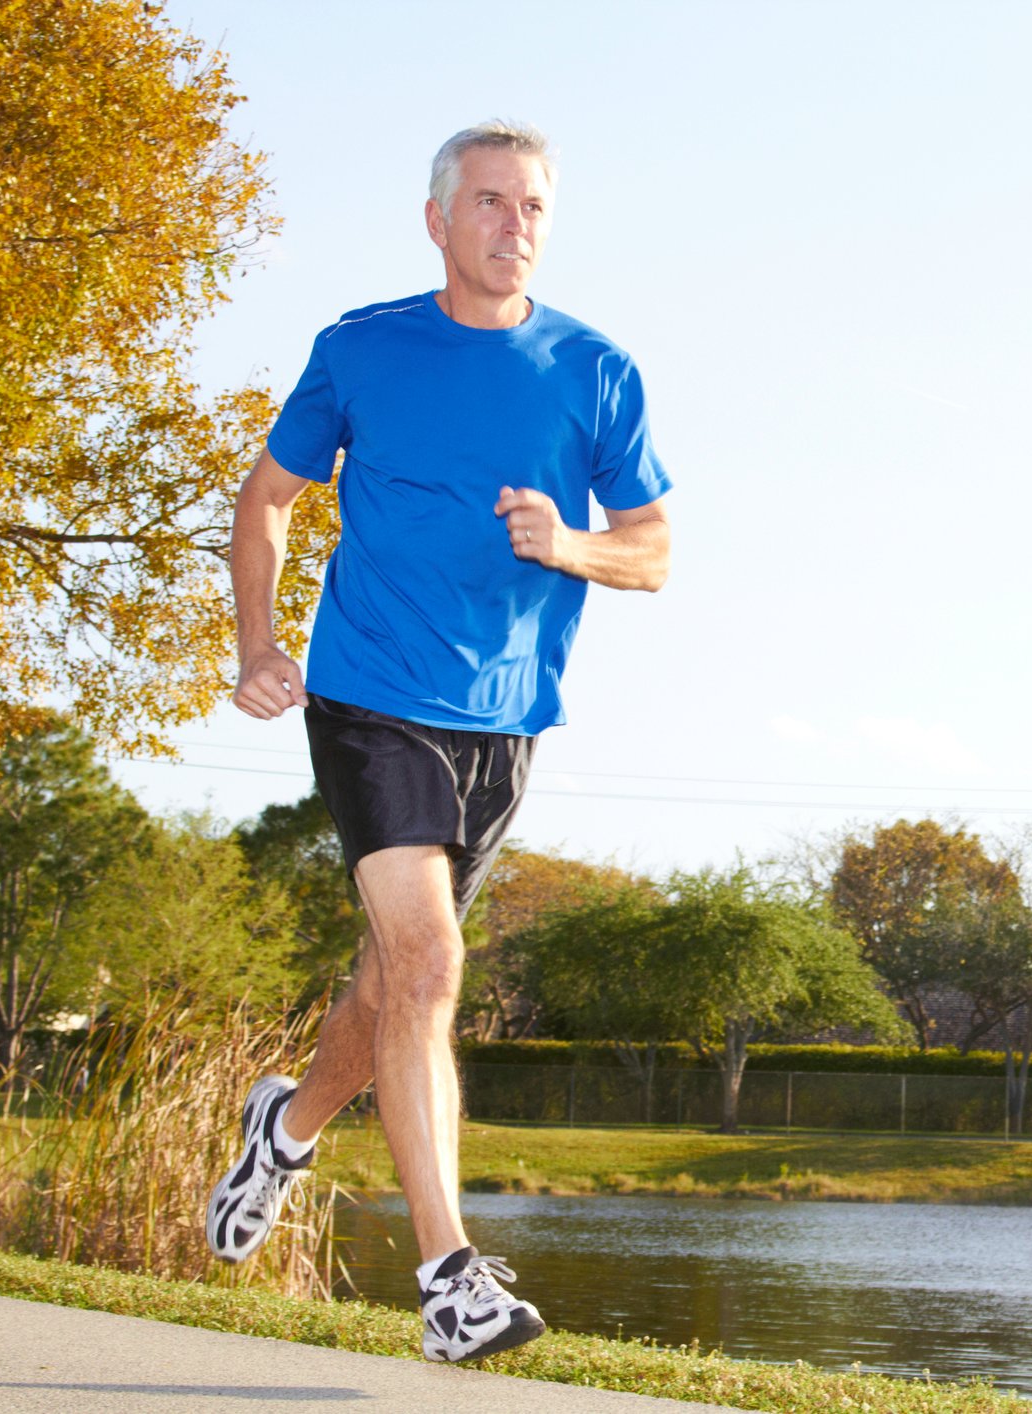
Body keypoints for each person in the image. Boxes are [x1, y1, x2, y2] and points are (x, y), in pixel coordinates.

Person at [207, 119, 672, 1364]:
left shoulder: (595, 369)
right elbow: (263, 503)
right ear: (438, 220)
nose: (511, 226)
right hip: (370, 693)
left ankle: (287, 1126)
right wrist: (259, 645)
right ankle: (451, 1277)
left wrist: (569, 545)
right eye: (488, 203)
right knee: (427, 969)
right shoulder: (361, 350)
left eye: (530, 208)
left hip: (507, 720)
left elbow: (656, 548)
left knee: (388, 981)